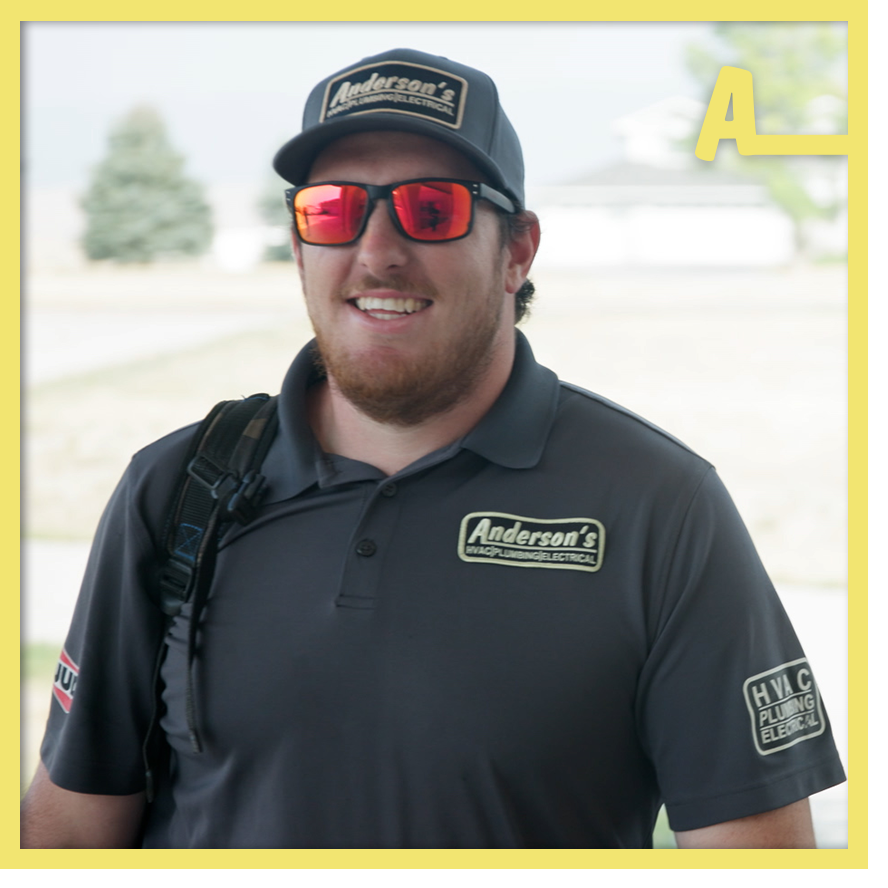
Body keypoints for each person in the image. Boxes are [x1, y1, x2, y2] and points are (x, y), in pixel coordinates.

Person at [22, 48, 845, 849]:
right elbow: (70, 823)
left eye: (431, 208)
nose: (377, 252)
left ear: (516, 251)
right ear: (301, 245)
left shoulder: (659, 505)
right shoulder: (179, 487)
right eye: (333, 209)